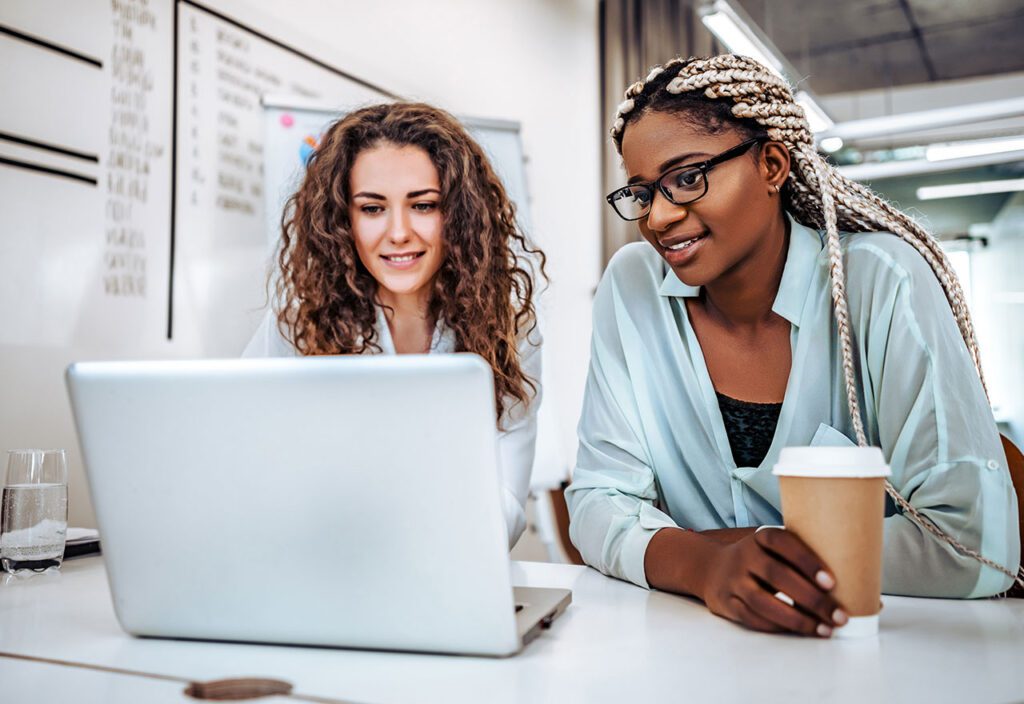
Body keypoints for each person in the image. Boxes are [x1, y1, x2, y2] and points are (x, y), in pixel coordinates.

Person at [567, 54, 1022, 637]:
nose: (658, 216)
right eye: (641, 192)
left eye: (687, 178)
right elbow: (597, 502)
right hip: (693, 652)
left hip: (881, 653)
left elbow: (970, 545)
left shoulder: (883, 281)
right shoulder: (631, 286)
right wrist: (707, 567)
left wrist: (735, 550)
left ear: (773, 165)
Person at [244, 102, 546, 548]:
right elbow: (248, 465)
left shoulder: (510, 329)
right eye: (372, 209)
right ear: (342, 219)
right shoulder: (298, 322)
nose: (399, 231)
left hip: (451, 568)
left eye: (423, 205)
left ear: (459, 215)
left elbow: (504, 504)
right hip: (317, 567)